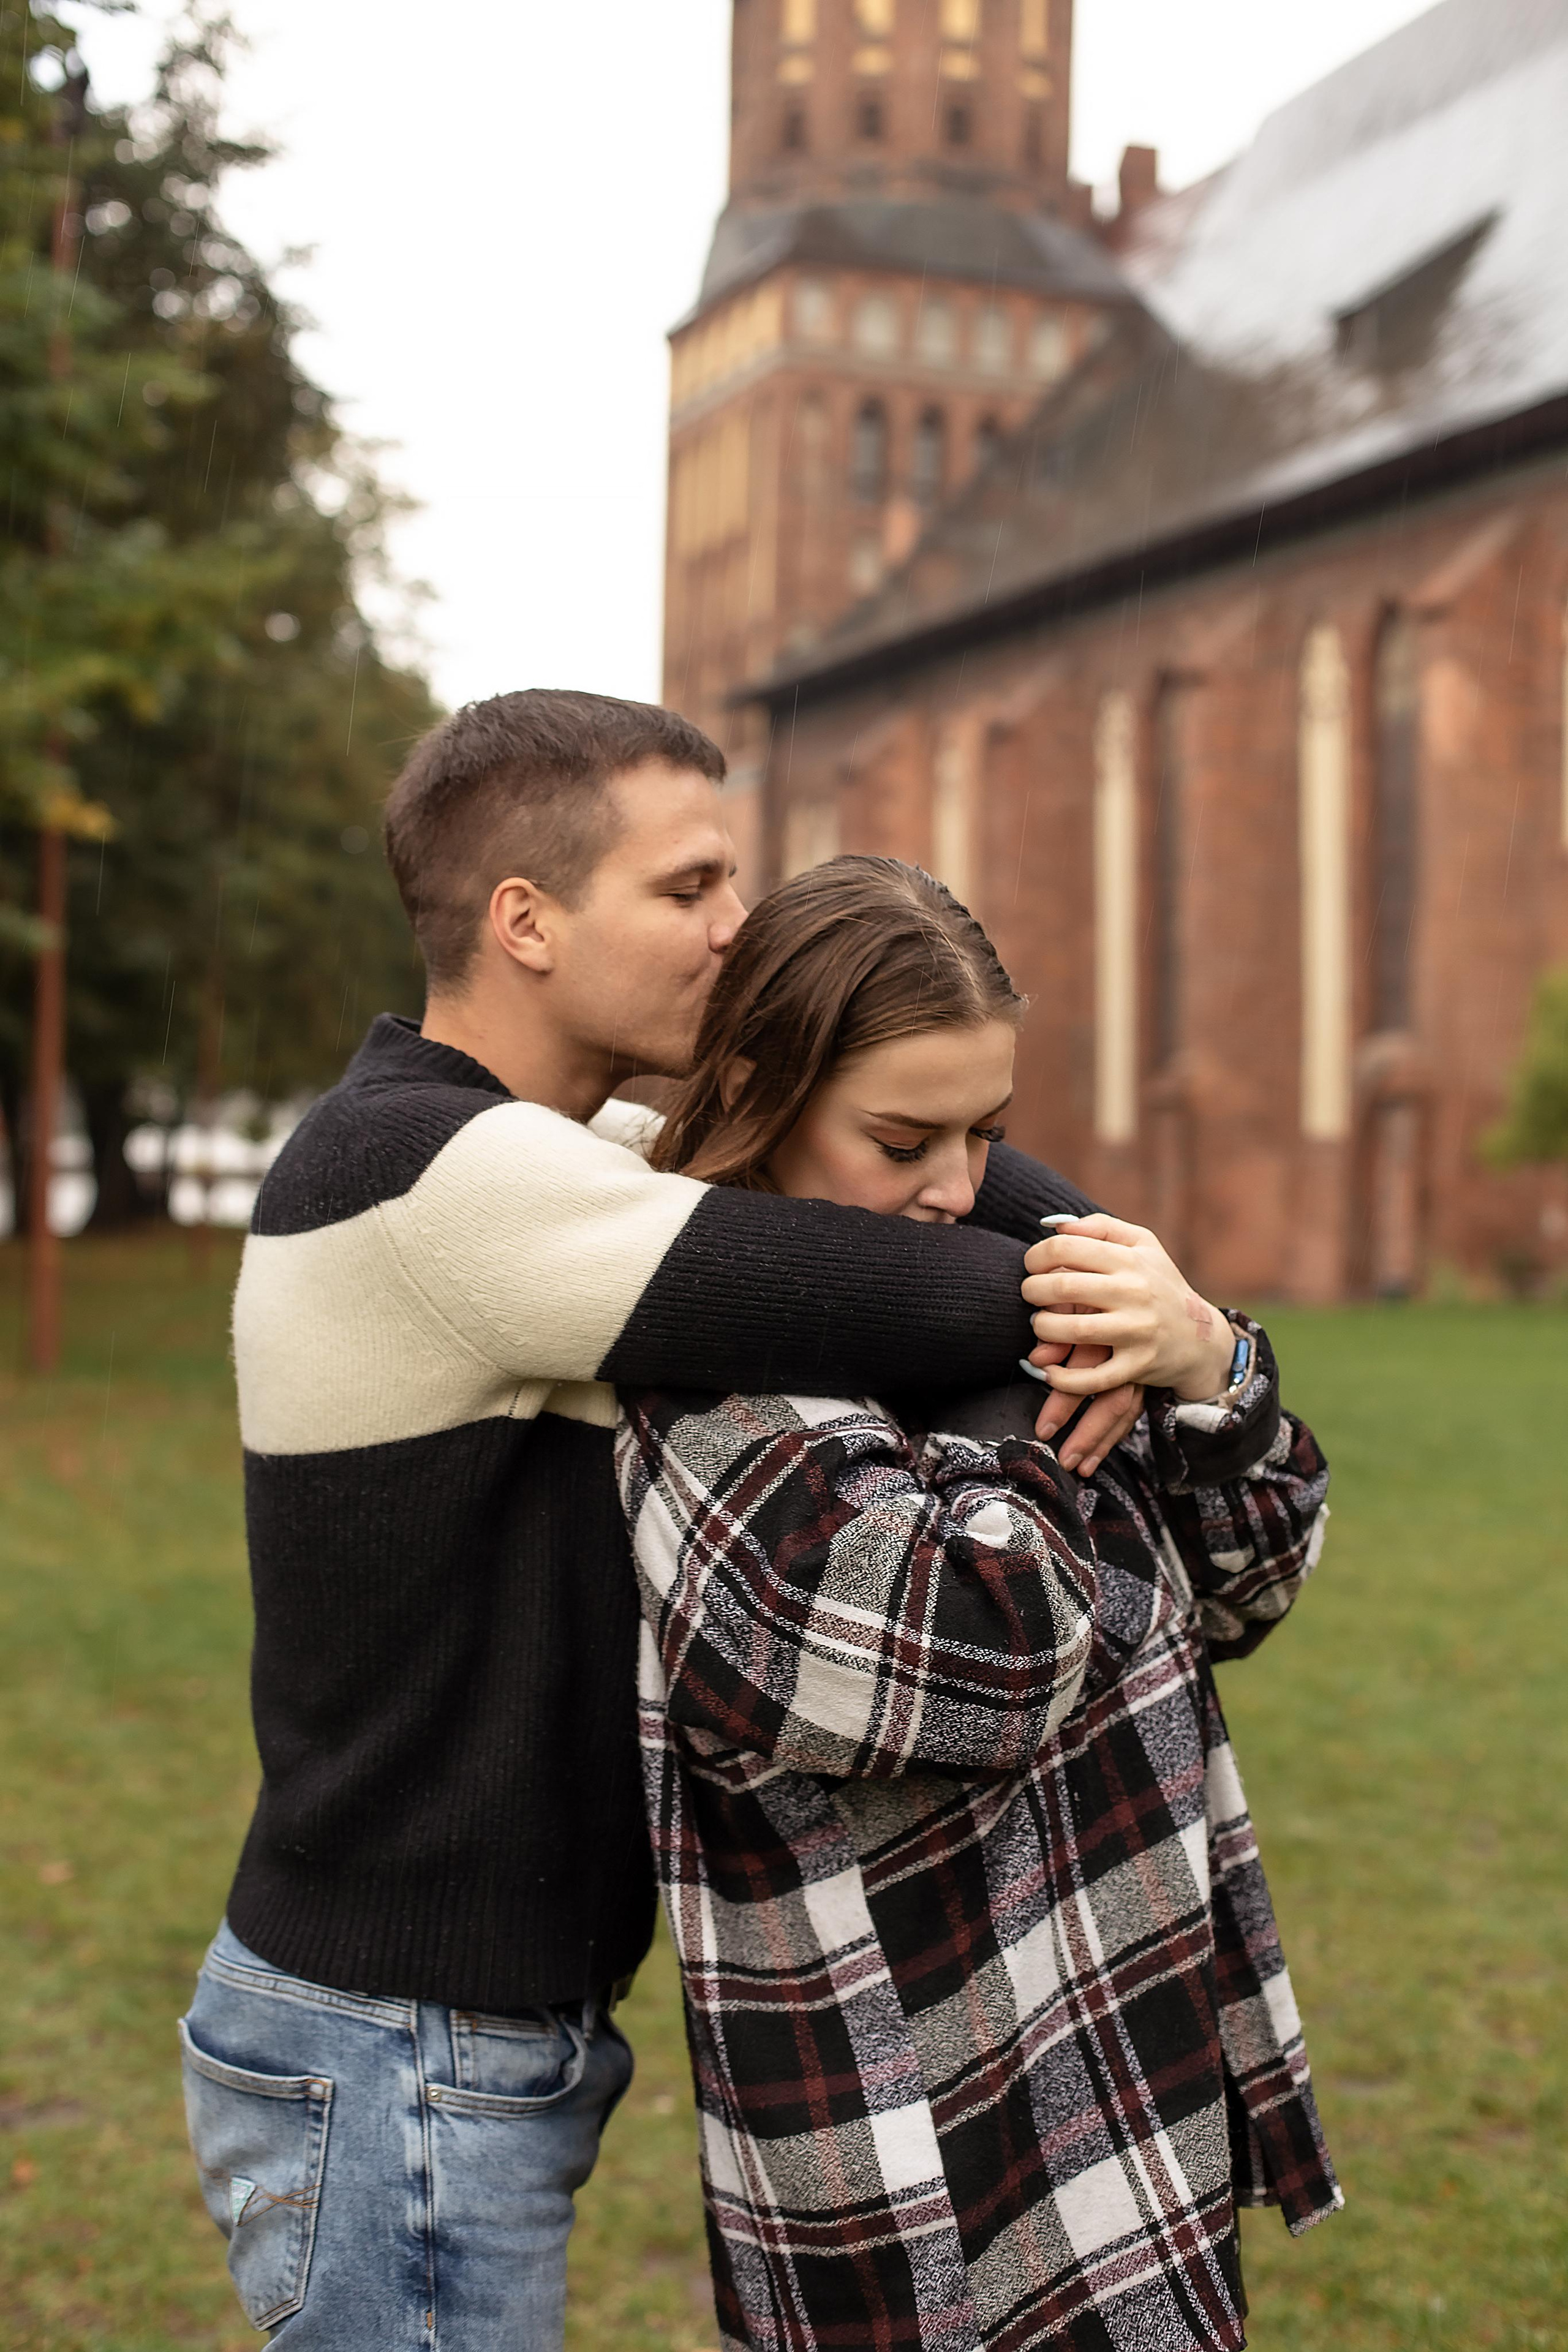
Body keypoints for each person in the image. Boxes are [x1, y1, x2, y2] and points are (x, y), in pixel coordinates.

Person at [178, 692, 1145, 2349]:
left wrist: (1105, 1245)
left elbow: (960, 1187)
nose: (739, 928)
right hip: (391, 2036)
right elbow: (901, 1282)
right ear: (526, 922)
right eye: (691, 887)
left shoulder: (573, 1154)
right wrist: (1138, 1301)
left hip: (460, 2029)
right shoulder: (418, 1173)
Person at [617, 856, 1341, 2352]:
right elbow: (983, 1661)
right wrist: (1027, 1419)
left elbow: (1251, 1580)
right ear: (759, 1088)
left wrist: (1206, 1360)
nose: (955, 1190)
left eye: (986, 1139)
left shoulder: (1021, 1286)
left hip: (1134, 2076)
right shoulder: (706, 1381)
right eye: (899, 1137)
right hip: (912, 2160)